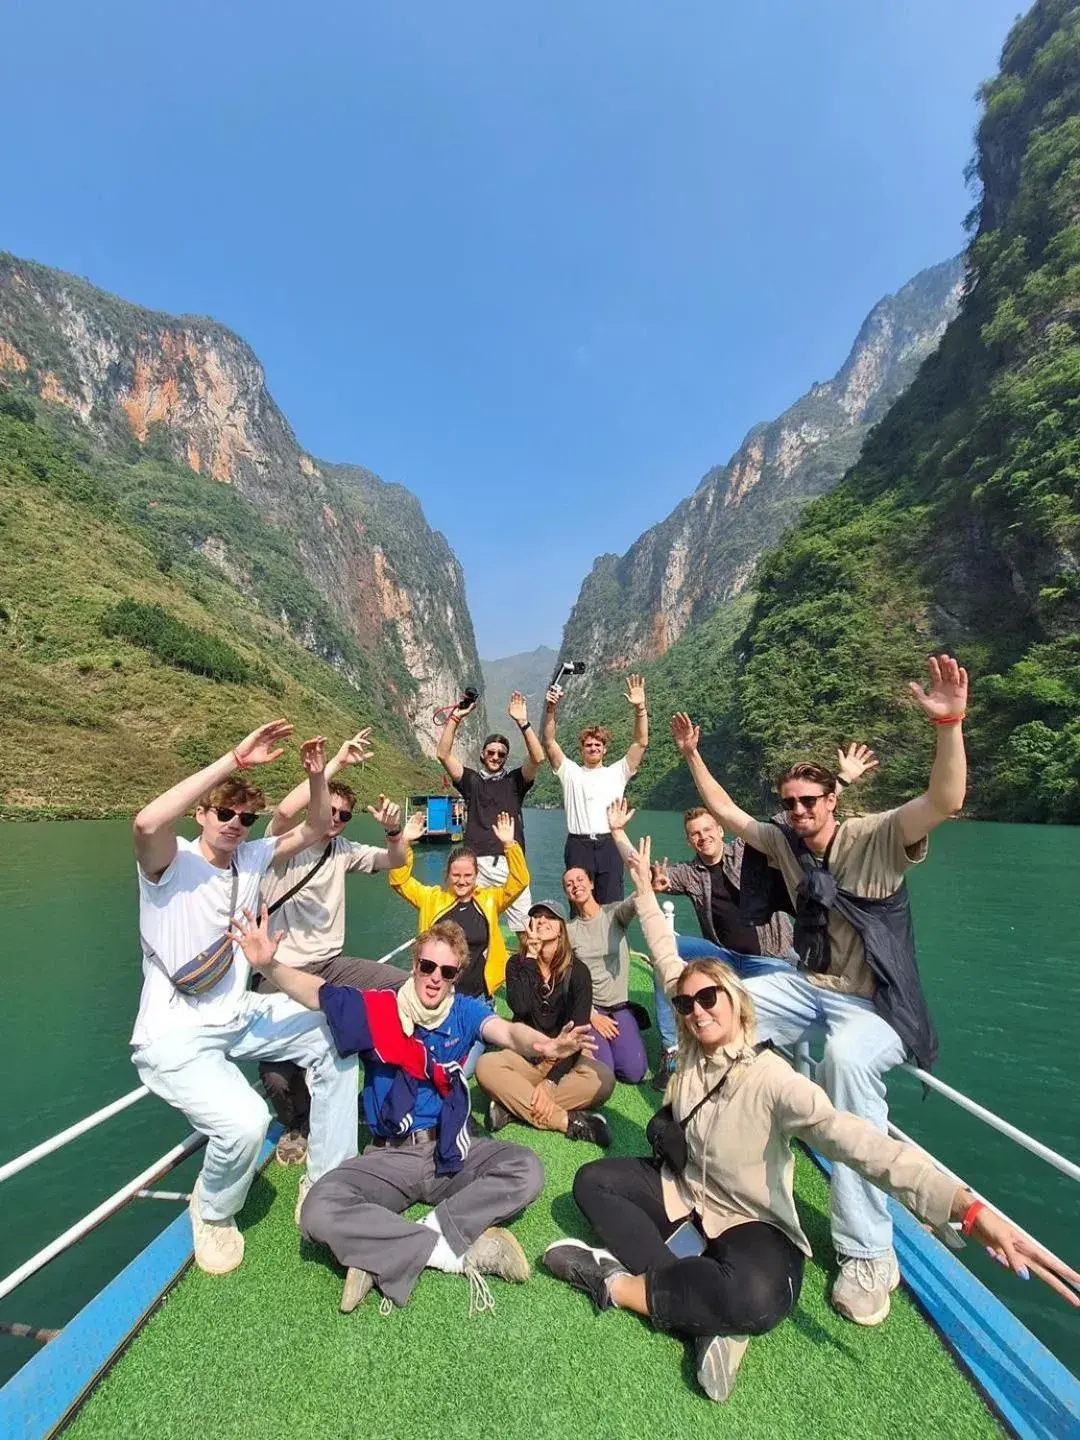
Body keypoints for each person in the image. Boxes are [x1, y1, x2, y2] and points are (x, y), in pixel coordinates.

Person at [542, 834, 1079, 1403]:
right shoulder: (694, 1044)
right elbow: (663, 947)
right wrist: (645, 886)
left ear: (737, 1005)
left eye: (709, 1001)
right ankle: (692, 1305)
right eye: (686, 1003)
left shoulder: (775, 1081)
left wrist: (970, 1212)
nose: (696, 1011)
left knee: (757, 1297)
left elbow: (864, 1146)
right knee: (591, 1182)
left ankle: (621, 1285)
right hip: (686, 1193)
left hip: (752, 1221)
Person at [668, 654, 969, 1326]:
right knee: (710, 1002)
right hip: (810, 987)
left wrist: (949, 726)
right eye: (791, 802)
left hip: (876, 1004)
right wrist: (691, 754)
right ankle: (700, 1149)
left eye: (812, 801)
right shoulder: (783, 843)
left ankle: (867, 1251)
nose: (800, 811)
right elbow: (727, 813)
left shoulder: (876, 838)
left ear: (834, 800)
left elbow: (945, 801)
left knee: (845, 1062)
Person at [232, 911, 594, 1314]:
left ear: (457, 976)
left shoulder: (464, 1012)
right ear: (414, 965)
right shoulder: (381, 1008)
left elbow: (507, 1031)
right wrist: (268, 964)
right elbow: (317, 992)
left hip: (449, 1151)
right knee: (318, 1208)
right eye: (427, 966)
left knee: (527, 1168)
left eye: (447, 971)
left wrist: (542, 1046)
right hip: (389, 1156)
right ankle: (452, 1251)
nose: (435, 977)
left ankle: (384, 1253)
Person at [130, 721, 359, 1276]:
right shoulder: (169, 865)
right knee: (245, 1124)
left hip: (241, 1013)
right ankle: (211, 1210)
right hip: (176, 1033)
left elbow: (316, 826)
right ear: (202, 815)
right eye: (224, 814)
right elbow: (146, 821)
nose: (235, 825)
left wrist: (316, 775)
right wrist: (234, 760)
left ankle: (325, 1182)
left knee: (339, 1037)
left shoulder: (253, 858)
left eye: (244, 818)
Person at [644, 744, 878, 1091]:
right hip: (724, 957)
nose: (704, 836)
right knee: (668, 958)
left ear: (720, 830)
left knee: (752, 1008)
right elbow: (647, 878)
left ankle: (761, 1070)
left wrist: (841, 779)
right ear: (689, 840)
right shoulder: (690, 874)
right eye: (695, 833)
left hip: (770, 959)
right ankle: (672, 1051)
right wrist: (651, 880)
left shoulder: (750, 850)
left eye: (709, 829)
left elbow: (796, 817)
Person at [254, 729, 409, 1167]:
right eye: (330, 810)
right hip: (278, 971)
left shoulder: (344, 850)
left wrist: (395, 830)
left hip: (331, 965)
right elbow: (285, 809)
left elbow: (395, 860)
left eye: (343, 815)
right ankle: (297, 1122)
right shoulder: (283, 847)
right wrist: (331, 765)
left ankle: (388, 1092)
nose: (335, 818)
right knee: (277, 1074)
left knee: (406, 990)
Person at [476, 900, 615, 1146]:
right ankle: (567, 1121)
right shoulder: (517, 965)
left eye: (549, 917)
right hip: (524, 1057)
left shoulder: (578, 972)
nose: (541, 921)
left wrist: (551, 1081)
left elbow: (577, 1036)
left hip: (564, 1060)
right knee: (486, 1066)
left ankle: (512, 1107)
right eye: (536, 916)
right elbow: (520, 1007)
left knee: (603, 1080)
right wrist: (530, 957)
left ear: (561, 929)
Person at [436, 689, 545, 939]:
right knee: (471, 927)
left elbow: (538, 758)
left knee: (524, 928)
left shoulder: (516, 781)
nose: (495, 757)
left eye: (501, 754)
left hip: (511, 861)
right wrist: (456, 717)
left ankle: (527, 971)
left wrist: (522, 722)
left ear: (506, 757)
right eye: (491, 752)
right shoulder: (471, 781)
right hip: (476, 864)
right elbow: (442, 754)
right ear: (483, 754)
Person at [389, 809, 528, 1000]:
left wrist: (509, 845)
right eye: (456, 875)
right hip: (438, 994)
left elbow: (519, 881)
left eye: (468, 875)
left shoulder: (490, 900)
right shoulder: (431, 898)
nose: (462, 881)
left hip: (479, 995)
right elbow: (400, 881)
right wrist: (404, 843)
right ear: (447, 874)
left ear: (476, 876)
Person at [542, 672, 648, 902]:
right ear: (581, 750)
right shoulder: (570, 772)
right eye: (588, 745)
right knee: (579, 902)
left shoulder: (617, 773)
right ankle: (579, 940)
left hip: (610, 843)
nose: (593, 748)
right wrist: (550, 709)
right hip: (578, 844)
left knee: (612, 903)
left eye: (597, 745)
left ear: (605, 749)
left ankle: (613, 939)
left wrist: (640, 709)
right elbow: (549, 742)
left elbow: (641, 743)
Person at [563, 855, 648, 1085]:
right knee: (603, 1073)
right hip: (589, 1008)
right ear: (567, 893)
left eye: (580, 879)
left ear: (591, 884)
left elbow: (633, 903)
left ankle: (627, 1029)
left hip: (618, 1006)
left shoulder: (613, 915)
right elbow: (566, 977)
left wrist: (647, 886)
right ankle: (585, 1045)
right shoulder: (569, 931)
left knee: (634, 1073)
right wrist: (592, 1014)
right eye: (569, 884)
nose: (575, 885)